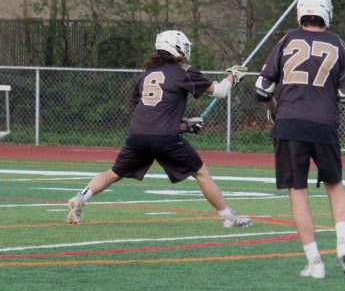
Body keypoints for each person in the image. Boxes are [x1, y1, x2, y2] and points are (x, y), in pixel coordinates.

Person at [66, 30, 252, 229]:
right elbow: (221, 91)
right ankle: (228, 217)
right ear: (175, 47)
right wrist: (233, 76)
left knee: (113, 173)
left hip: (138, 135)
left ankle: (81, 197)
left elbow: (152, 111)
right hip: (165, 137)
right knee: (201, 173)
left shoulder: (146, 76)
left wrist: (184, 124)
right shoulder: (183, 71)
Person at [255, 0, 345, 279]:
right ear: (327, 14)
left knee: (298, 192)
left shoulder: (287, 39)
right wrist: (339, 93)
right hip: (324, 123)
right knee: (335, 184)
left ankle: (315, 263)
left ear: (302, 13)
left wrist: (276, 110)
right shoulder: (338, 43)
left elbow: (262, 89)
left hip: (289, 123)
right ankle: (342, 243)